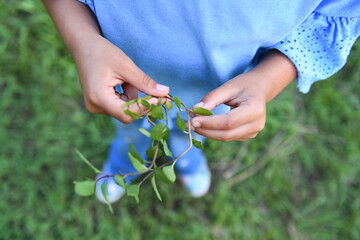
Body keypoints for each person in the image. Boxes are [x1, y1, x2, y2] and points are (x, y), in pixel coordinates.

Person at [42, 0, 360, 203]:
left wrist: (265, 82)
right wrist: (82, 39)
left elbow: (331, 14)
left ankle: (187, 157)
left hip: (219, 86)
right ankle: (123, 167)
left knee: (194, 128)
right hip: (124, 77)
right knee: (130, 127)